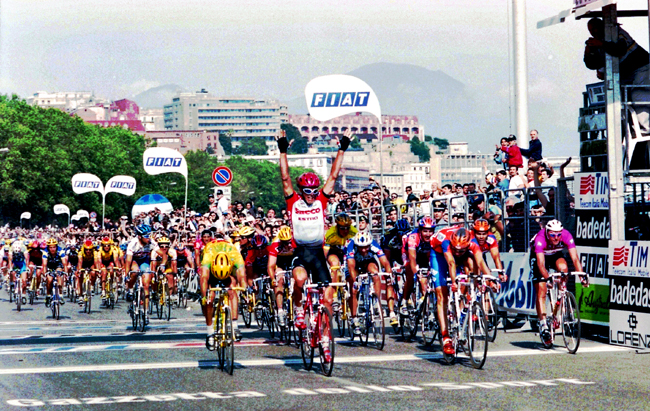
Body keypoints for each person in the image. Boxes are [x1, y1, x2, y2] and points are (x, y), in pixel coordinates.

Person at [276, 128, 352, 345]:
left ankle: (326, 338)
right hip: (301, 250)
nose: (311, 195)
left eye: (314, 191)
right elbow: (284, 177)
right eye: (307, 192)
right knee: (299, 279)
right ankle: (299, 308)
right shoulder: (293, 202)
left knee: (327, 297)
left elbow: (334, 175)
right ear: (301, 191)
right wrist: (283, 151)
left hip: (318, 252)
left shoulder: (321, 200)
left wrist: (342, 149)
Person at [584, 17, 650, 135]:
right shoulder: (599, 43)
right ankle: (633, 132)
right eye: (590, 30)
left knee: (638, 96)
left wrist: (601, 44)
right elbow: (593, 64)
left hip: (642, 67)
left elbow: (619, 50)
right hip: (625, 73)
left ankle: (646, 130)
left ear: (602, 26)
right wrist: (588, 53)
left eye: (595, 28)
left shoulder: (618, 33)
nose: (593, 32)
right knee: (623, 102)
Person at [529, 220, 587, 346]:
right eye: (552, 235)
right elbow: (540, 264)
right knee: (541, 289)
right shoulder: (540, 239)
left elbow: (575, 258)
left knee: (564, 268)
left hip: (555, 254)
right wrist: (547, 278)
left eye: (558, 235)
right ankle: (543, 324)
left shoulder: (566, 235)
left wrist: (582, 275)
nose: (556, 238)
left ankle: (562, 294)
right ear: (547, 233)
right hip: (539, 256)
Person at [346, 231, 396, 331]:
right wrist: (355, 281)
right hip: (354, 264)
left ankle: (375, 301)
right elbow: (351, 267)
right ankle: (354, 317)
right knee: (353, 287)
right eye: (361, 247)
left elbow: (385, 262)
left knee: (375, 273)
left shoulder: (374, 244)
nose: (364, 250)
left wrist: (389, 275)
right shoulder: (351, 246)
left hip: (368, 262)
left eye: (366, 247)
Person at [200, 241, 246, 348]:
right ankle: (210, 332)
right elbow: (203, 278)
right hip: (212, 271)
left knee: (232, 288)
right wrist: (204, 297)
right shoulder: (208, 256)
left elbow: (242, 276)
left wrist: (244, 290)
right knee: (209, 298)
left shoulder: (235, 255)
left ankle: (235, 325)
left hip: (228, 271)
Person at [125, 225, 157, 324]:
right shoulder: (133, 244)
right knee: (134, 272)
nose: (149, 238)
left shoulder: (152, 242)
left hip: (144, 261)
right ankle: (130, 290)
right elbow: (128, 261)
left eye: (149, 235)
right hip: (134, 260)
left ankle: (146, 313)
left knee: (146, 285)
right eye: (146, 236)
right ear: (139, 236)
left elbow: (155, 257)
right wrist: (126, 274)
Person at [267, 226, 297, 327]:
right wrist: (273, 279)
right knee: (279, 279)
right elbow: (271, 266)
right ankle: (280, 310)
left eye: (289, 242)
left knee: (297, 279)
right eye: (285, 242)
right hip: (280, 262)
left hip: (293, 260)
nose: (288, 244)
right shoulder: (275, 244)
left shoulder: (296, 242)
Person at [42, 237, 68, 307]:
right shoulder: (45, 252)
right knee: (49, 280)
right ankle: (48, 295)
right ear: (48, 247)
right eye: (50, 247)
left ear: (56, 247)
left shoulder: (61, 251)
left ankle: (61, 295)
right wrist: (44, 275)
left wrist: (66, 274)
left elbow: (64, 263)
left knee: (59, 275)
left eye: (54, 247)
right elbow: (44, 265)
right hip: (49, 266)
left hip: (58, 265)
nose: (52, 249)